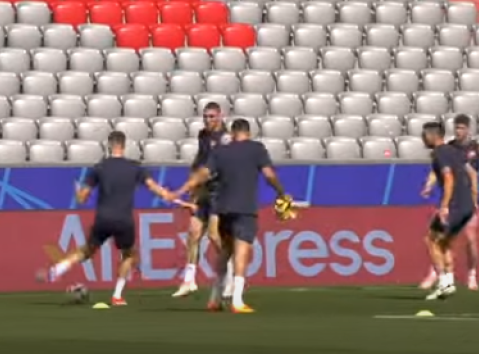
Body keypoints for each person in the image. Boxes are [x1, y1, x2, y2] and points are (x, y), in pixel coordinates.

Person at [37, 131, 178, 305]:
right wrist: (166, 194)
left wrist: (77, 191)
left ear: (109, 146)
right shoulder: (135, 167)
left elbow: (82, 198)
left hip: (103, 219)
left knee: (87, 251)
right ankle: (117, 296)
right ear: (124, 146)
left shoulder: (99, 167)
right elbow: (152, 186)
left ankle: (57, 270)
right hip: (124, 220)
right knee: (129, 255)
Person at [174, 118, 290, 313]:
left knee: (225, 251)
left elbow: (203, 173)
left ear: (233, 133)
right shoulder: (256, 149)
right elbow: (269, 174)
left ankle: (215, 298)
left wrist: (183, 189)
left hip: (223, 209)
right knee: (241, 250)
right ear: (248, 133)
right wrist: (281, 192)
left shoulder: (220, 151)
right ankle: (237, 299)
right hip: (245, 207)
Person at [420, 114, 479, 291]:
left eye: (462, 127)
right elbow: (443, 172)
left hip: (461, 202)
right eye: (456, 127)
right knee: (445, 241)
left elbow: (457, 176)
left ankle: (461, 277)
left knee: (447, 239)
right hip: (462, 202)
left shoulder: (472, 148)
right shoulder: (452, 149)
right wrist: (429, 184)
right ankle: (445, 278)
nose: (459, 131)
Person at [173, 102, 234, 298]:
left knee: (214, 235)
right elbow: (200, 160)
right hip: (204, 190)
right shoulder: (203, 136)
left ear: (220, 116)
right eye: (206, 116)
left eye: (212, 116)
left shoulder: (225, 139)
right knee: (193, 233)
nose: (208, 120)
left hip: (219, 191)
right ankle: (189, 280)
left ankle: (231, 274)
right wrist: (194, 183)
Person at [421, 122, 478, 301]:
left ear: (432, 136)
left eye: (424, 135)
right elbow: (471, 174)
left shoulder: (439, 153)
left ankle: (443, 282)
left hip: (455, 205)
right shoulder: (455, 151)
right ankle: (449, 283)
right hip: (466, 205)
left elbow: (448, 178)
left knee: (431, 239)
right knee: (445, 242)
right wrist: (474, 199)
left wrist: (444, 206)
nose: (423, 139)